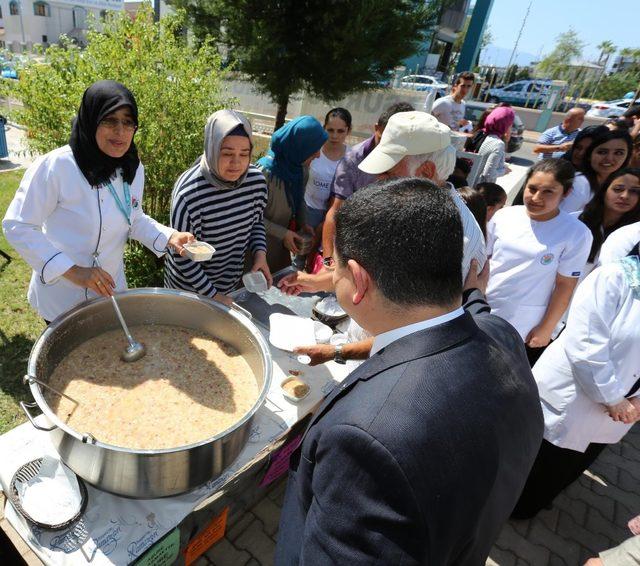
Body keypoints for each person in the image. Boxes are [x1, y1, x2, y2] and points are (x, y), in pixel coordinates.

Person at [275, 178, 543, 566]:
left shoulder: (365, 438)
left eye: (332, 264)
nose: (331, 275)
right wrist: (474, 292)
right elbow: (477, 305)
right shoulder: (501, 334)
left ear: (359, 280)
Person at [280, 111, 487, 366]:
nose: (379, 181)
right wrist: (313, 281)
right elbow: (371, 281)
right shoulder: (412, 214)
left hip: (383, 365)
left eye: (388, 173)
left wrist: (338, 353)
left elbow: (412, 339)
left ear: (425, 172)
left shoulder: (449, 243)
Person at [2, 80, 193, 323]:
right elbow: (18, 225)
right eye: (110, 120)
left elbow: (132, 218)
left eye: (128, 122)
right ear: (91, 119)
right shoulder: (56, 167)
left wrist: (169, 236)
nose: (120, 131)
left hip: (109, 290)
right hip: (61, 295)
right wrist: (74, 272)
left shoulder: (131, 168)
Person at [511, 256, 640, 519]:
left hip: (619, 414)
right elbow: (586, 344)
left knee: (556, 478)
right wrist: (615, 399)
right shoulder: (615, 277)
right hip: (572, 400)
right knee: (523, 469)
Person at [486, 159, 593, 366]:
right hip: (484, 306)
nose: (536, 198)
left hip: (523, 321)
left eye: (548, 192)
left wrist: (546, 328)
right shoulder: (505, 215)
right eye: (532, 189)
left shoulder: (576, 233)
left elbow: (565, 286)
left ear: (566, 193)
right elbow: (485, 261)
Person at [164, 110, 271, 306]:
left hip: (229, 284)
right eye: (227, 153)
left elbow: (256, 223)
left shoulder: (255, 182)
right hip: (188, 292)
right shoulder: (189, 193)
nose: (237, 163)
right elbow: (183, 256)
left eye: (244, 154)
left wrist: (260, 255)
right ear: (212, 149)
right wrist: (213, 296)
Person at [321, 102, 414, 259]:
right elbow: (336, 211)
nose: (388, 147)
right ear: (377, 128)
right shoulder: (353, 160)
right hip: (354, 247)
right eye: (384, 139)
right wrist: (328, 260)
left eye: (396, 143)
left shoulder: (417, 159)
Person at [256, 116, 327, 273]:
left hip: (279, 251)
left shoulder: (299, 169)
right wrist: (283, 234)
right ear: (299, 148)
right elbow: (250, 218)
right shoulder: (262, 175)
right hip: (256, 253)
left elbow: (298, 198)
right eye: (314, 149)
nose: (318, 155)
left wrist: (303, 224)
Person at [578, 168, 640, 271]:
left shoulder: (634, 234)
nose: (625, 196)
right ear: (604, 190)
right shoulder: (576, 221)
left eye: (634, 191)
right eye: (618, 189)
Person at [561, 130, 633, 214]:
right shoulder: (579, 184)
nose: (609, 158)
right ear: (589, 155)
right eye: (602, 152)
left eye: (618, 153)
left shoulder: (618, 183)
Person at [303, 108, 352, 230]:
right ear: (324, 128)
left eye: (340, 131)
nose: (335, 136)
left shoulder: (352, 157)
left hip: (336, 215)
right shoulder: (313, 150)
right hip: (307, 211)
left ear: (348, 130)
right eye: (330, 130)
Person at [559, 125, 608, 213]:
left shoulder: (604, 178)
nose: (581, 154)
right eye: (578, 147)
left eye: (588, 150)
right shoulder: (560, 166)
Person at [476, 106, 515, 184]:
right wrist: (505, 171)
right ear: (505, 124)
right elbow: (489, 174)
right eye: (510, 124)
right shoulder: (498, 144)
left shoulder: (480, 133)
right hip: (480, 186)